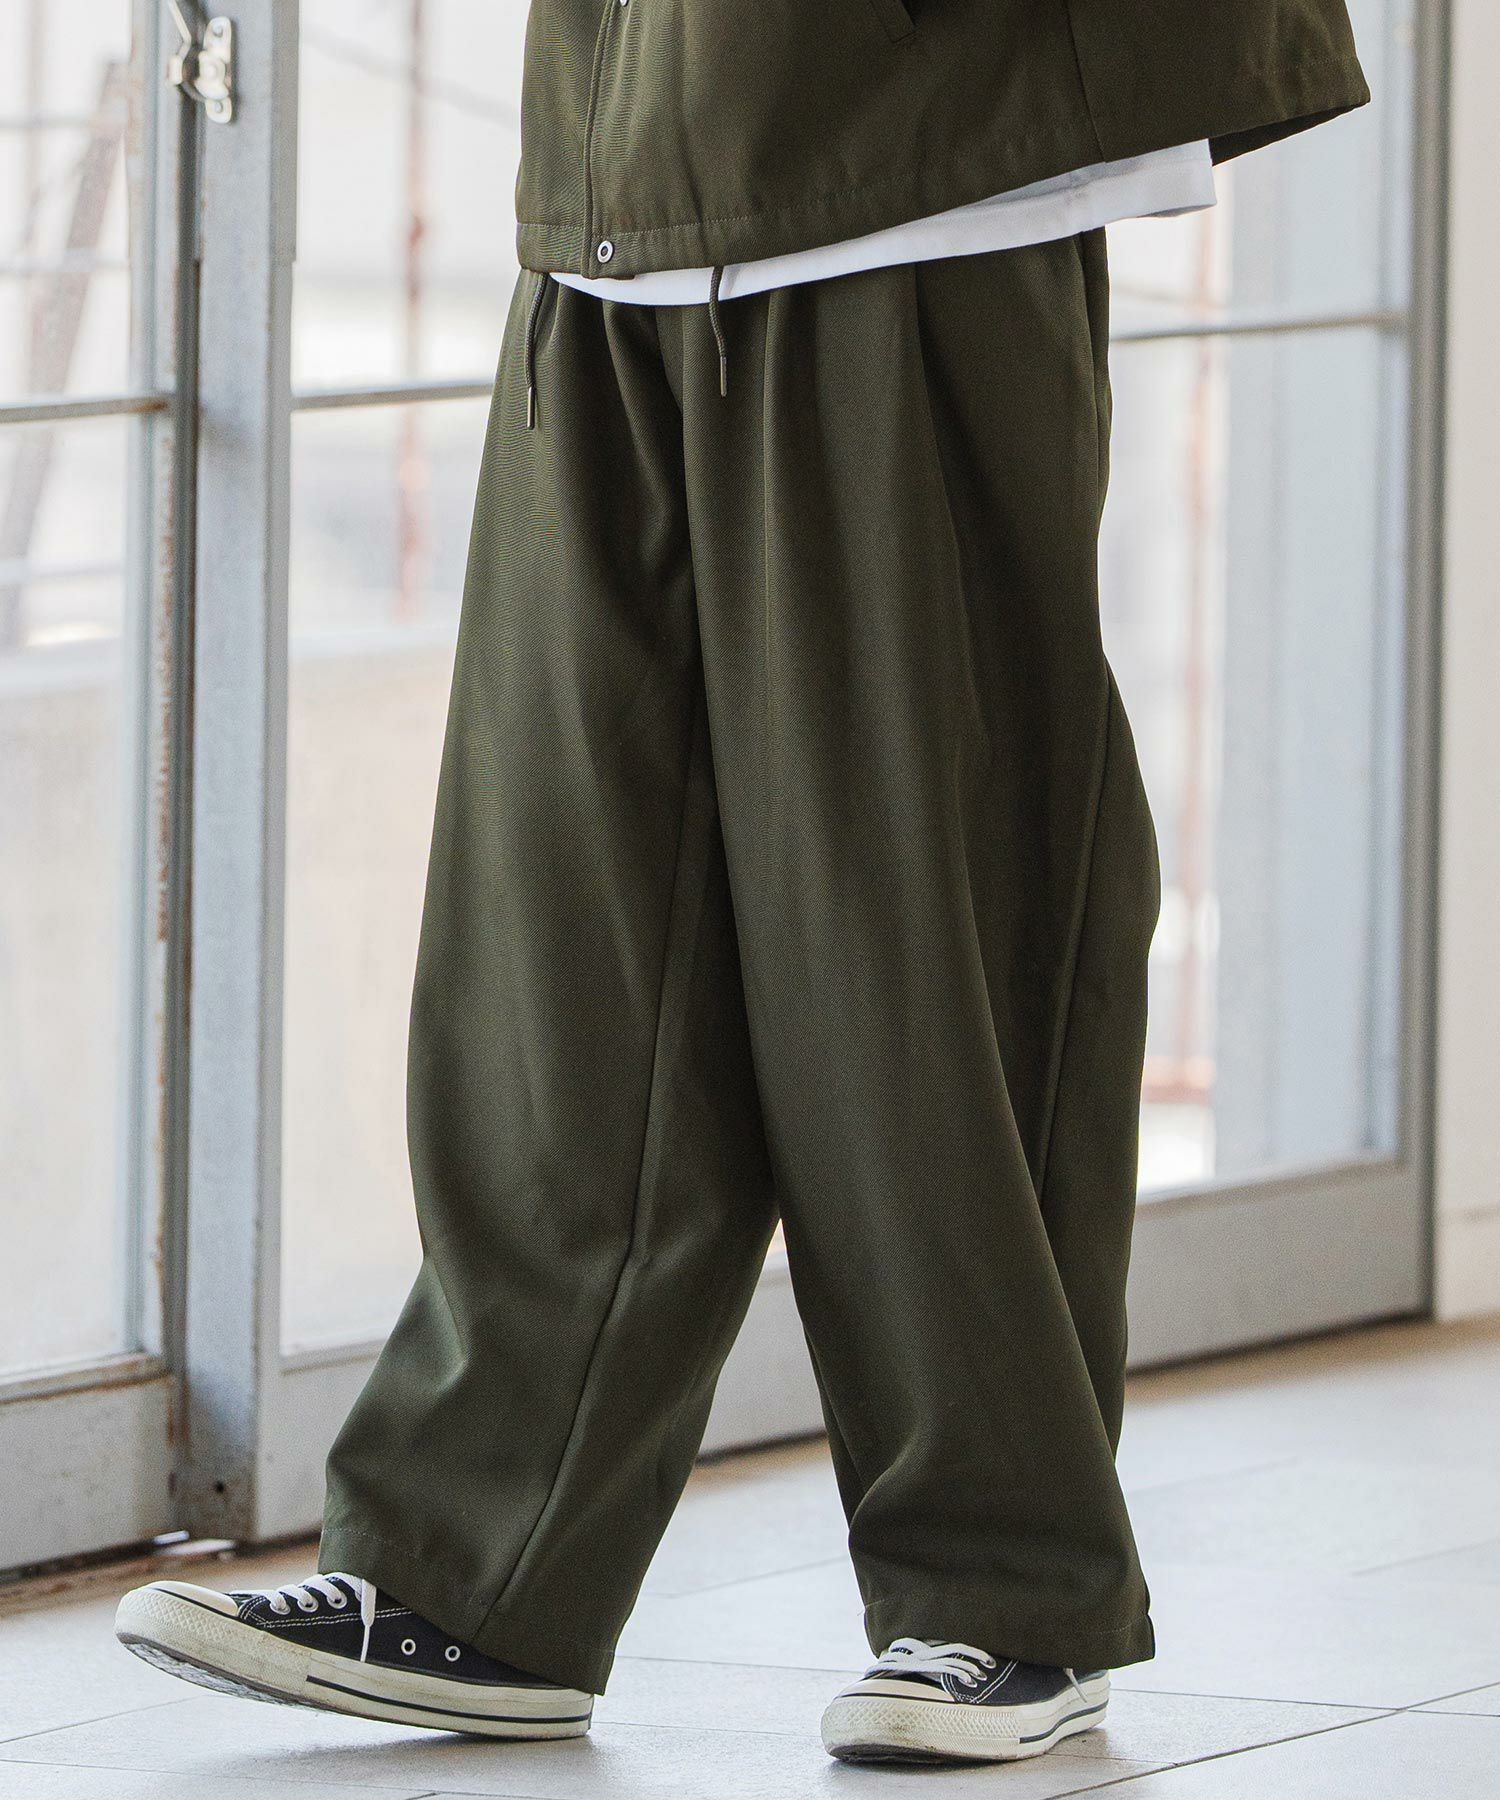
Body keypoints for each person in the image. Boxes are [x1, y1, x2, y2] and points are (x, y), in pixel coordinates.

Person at [115, 0, 1368, 1767]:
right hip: (621, 165)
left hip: (915, 160)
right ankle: (478, 1573)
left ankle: (1008, 1590)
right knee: (567, 944)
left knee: (916, 924)